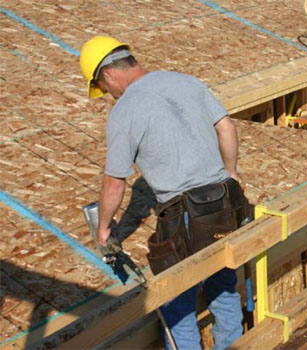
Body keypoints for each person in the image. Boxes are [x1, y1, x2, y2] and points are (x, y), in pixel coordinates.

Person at [79, 36, 251, 350]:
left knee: (175, 299)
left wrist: (104, 229)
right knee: (224, 287)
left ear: (107, 76)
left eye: (104, 89)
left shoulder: (125, 110)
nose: (108, 95)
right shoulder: (185, 81)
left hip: (183, 214)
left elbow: (115, 183)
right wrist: (231, 171)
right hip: (224, 202)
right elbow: (226, 126)